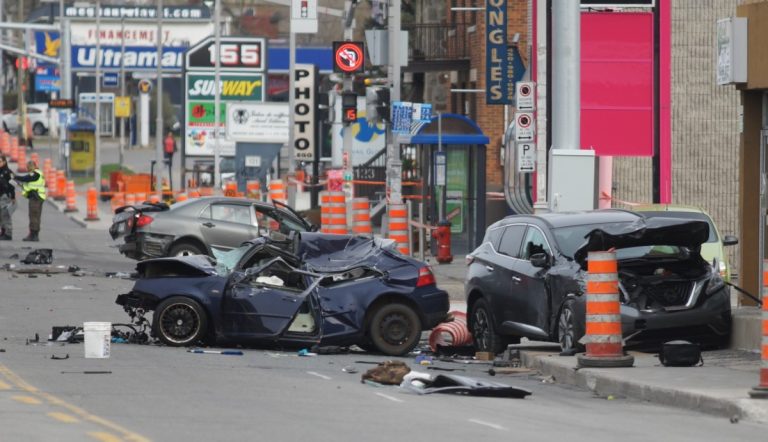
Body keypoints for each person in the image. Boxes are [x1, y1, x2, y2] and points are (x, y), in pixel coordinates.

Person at [13, 160, 45, 242]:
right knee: (36, 216)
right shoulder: (37, 174)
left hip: (35, 198)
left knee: (33, 216)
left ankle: (33, 235)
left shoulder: (35, 173)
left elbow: (26, 178)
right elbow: (27, 183)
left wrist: (15, 177)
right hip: (37, 197)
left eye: (28, 167)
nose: (27, 169)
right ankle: (34, 234)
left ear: (30, 166)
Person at [0, 155, 16, 240]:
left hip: (5, 195)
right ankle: (3, 231)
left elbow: (12, 186)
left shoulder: (8, 172)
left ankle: (8, 233)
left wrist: (13, 196)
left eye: (0, 162)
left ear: (4, 162)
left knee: (5, 214)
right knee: (1, 215)